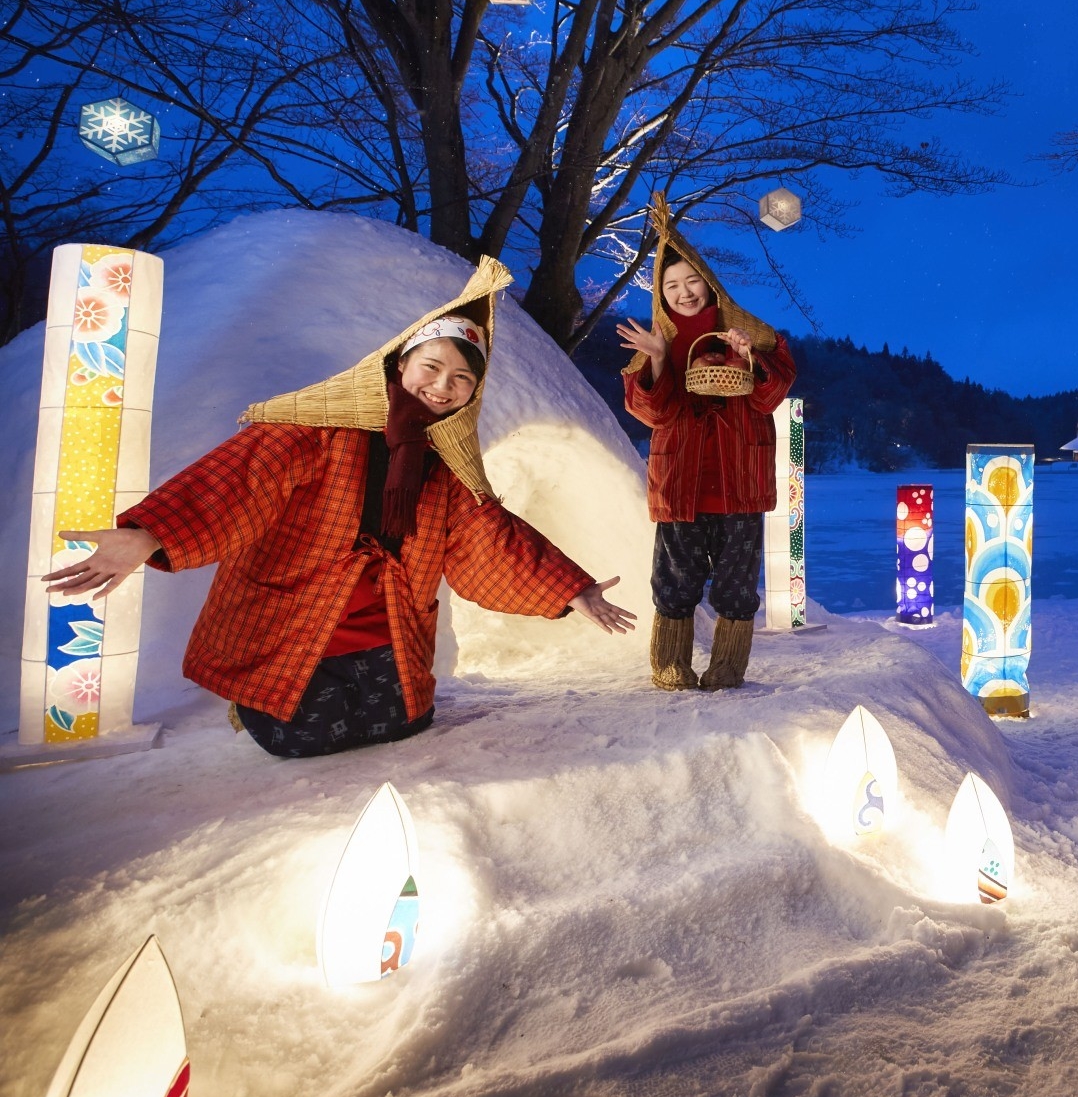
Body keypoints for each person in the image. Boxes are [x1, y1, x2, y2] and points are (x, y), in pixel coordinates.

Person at [43, 260, 636, 759]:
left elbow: (489, 538)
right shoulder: (313, 431)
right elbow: (237, 483)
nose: (442, 385)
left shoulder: (445, 464)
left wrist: (570, 590)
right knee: (299, 737)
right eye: (431, 367)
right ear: (400, 364)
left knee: (402, 723)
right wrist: (150, 534)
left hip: (387, 622)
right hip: (298, 617)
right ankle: (252, 704)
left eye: (461, 377)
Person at [618, 193, 797, 692]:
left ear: (709, 282)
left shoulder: (751, 334)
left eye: (692, 281)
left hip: (741, 485)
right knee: (674, 582)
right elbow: (653, 413)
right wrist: (659, 359)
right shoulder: (655, 341)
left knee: (737, 586)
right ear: (661, 293)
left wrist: (749, 357)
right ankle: (670, 664)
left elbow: (771, 396)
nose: (684, 292)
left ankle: (727, 667)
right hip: (681, 486)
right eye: (671, 285)